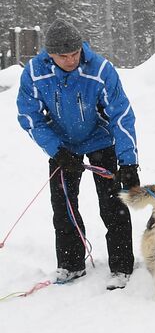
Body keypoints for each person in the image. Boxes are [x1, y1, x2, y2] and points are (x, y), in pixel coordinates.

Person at [16, 19, 141, 289]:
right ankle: (72, 264)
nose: (71, 59)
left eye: (75, 53)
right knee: (63, 207)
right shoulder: (35, 73)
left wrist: (128, 161)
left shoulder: (100, 69)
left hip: (100, 139)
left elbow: (121, 115)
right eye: (64, 56)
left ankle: (121, 266)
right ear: (50, 54)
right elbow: (29, 116)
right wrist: (56, 150)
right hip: (63, 146)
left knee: (112, 205)